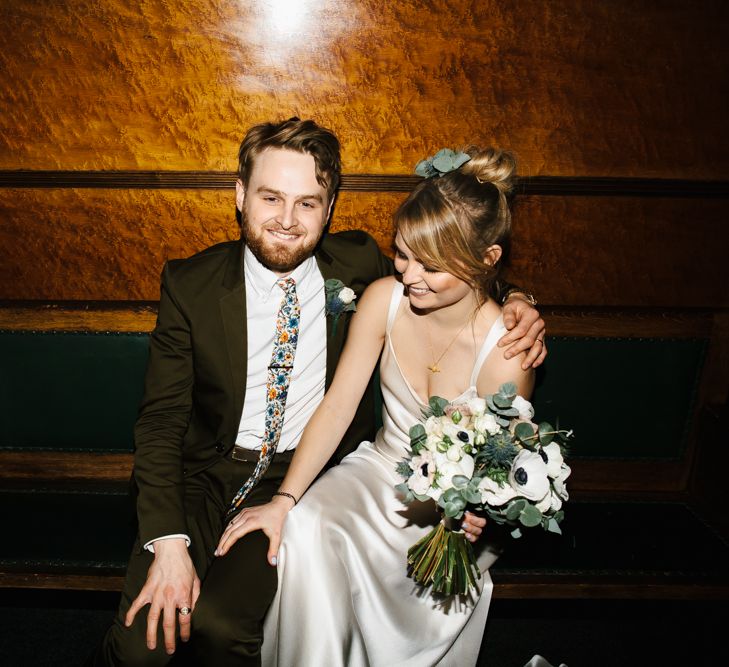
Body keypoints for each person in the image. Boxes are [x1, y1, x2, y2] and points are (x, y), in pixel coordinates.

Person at [90, 119, 545, 667]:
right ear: (240, 195)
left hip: (304, 475)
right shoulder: (191, 285)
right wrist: (167, 543)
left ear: (329, 211)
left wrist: (517, 298)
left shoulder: (363, 267)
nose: (286, 220)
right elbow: (160, 424)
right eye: (271, 197)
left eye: (307, 203)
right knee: (141, 650)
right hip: (202, 480)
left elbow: (457, 268)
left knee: (220, 626)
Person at [217, 145, 534, 666]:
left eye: (432, 266)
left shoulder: (509, 351)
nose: (410, 275)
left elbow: (496, 467)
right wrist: (285, 500)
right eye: (404, 253)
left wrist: (475, 512)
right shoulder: (385, 298)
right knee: (309, 526)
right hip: (376, 474)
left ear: (486, 260)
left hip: (448, 514)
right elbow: (338, 404)